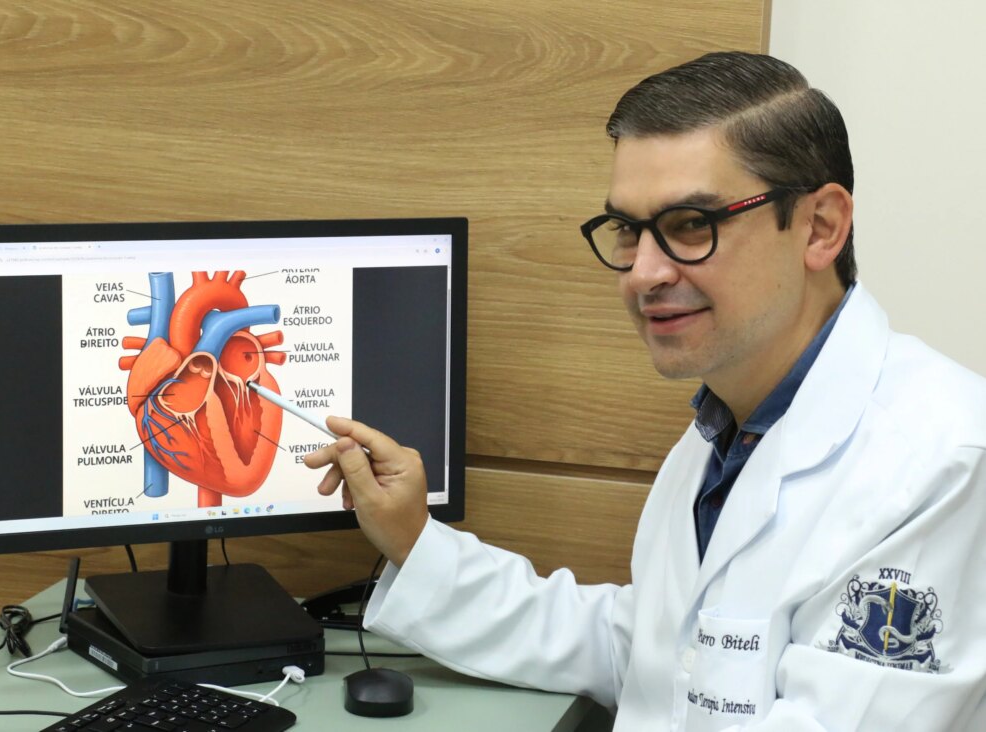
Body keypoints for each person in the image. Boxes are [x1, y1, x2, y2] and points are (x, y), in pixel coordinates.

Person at [304, 52, 986, 730]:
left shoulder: (940, 463)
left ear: (820, 226)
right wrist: (414, 540)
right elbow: (652, 654)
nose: (643, 273)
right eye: (630, 230)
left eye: (692, 224)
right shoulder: (728, 428)